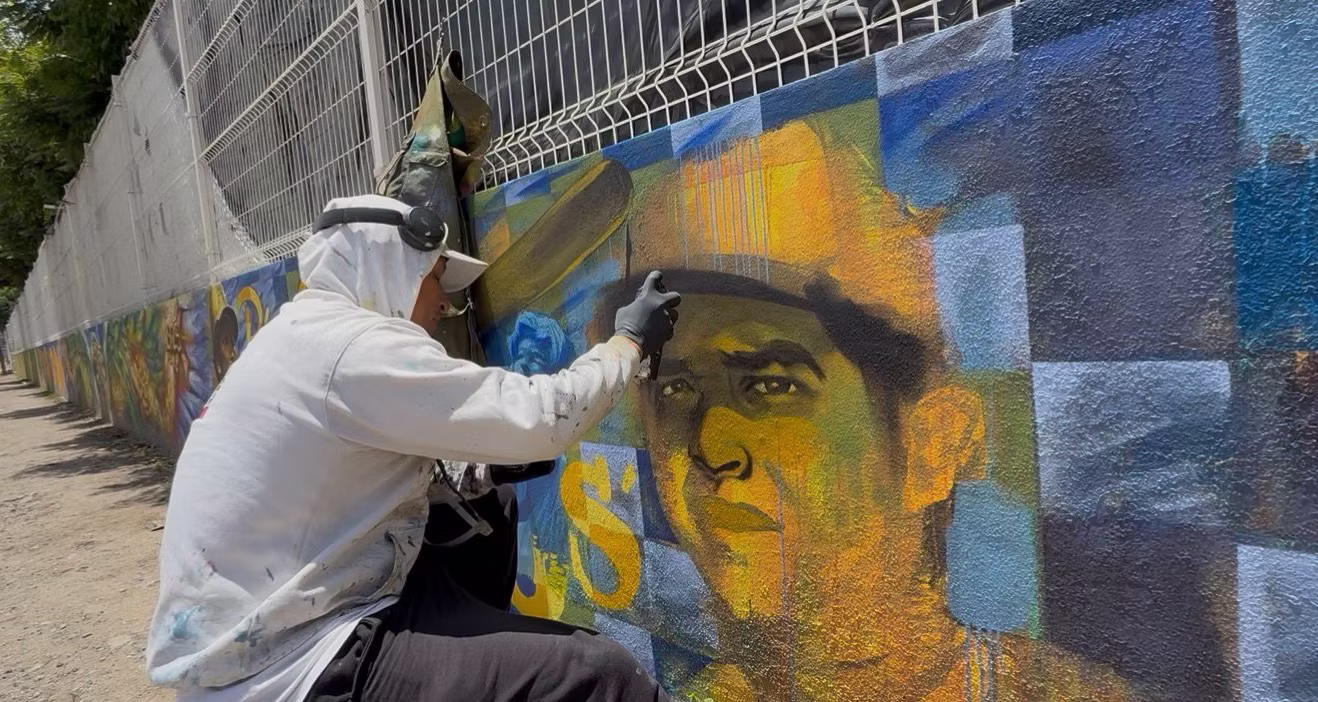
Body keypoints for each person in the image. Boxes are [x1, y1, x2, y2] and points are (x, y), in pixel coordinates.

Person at [146, 193, 681, 702]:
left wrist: (487, 464)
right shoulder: (351, 347)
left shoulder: (300, 338)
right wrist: (627, 342)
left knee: (481, 508)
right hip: (294, 668)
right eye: (434, 279)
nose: (445, 302)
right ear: (388, 269)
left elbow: (405, 468)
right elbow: (544, 415)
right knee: (598, 675)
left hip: (265, 636)